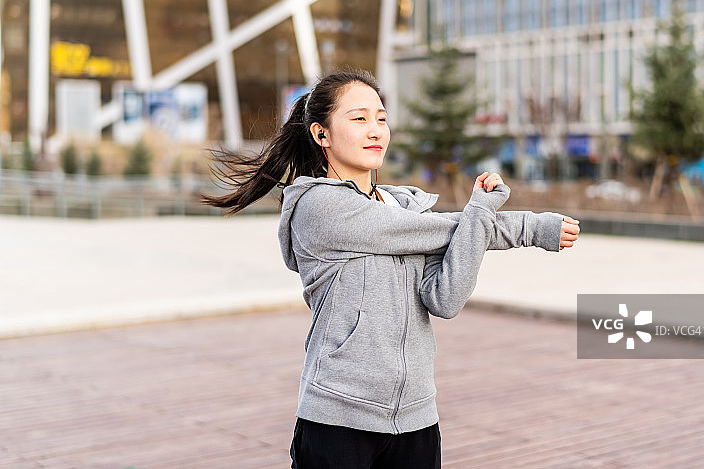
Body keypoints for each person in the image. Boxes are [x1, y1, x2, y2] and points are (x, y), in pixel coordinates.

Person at [201, 69, 580, 468]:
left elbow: (445, 299)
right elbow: (437, 228)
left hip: (417, 420)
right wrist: (528, 227)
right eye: (359, 118)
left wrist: (476, 219)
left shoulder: (404, 208)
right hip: (339, 418)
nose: (376, 130)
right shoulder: (318, 208)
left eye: (381, 118)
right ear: (321, 134)